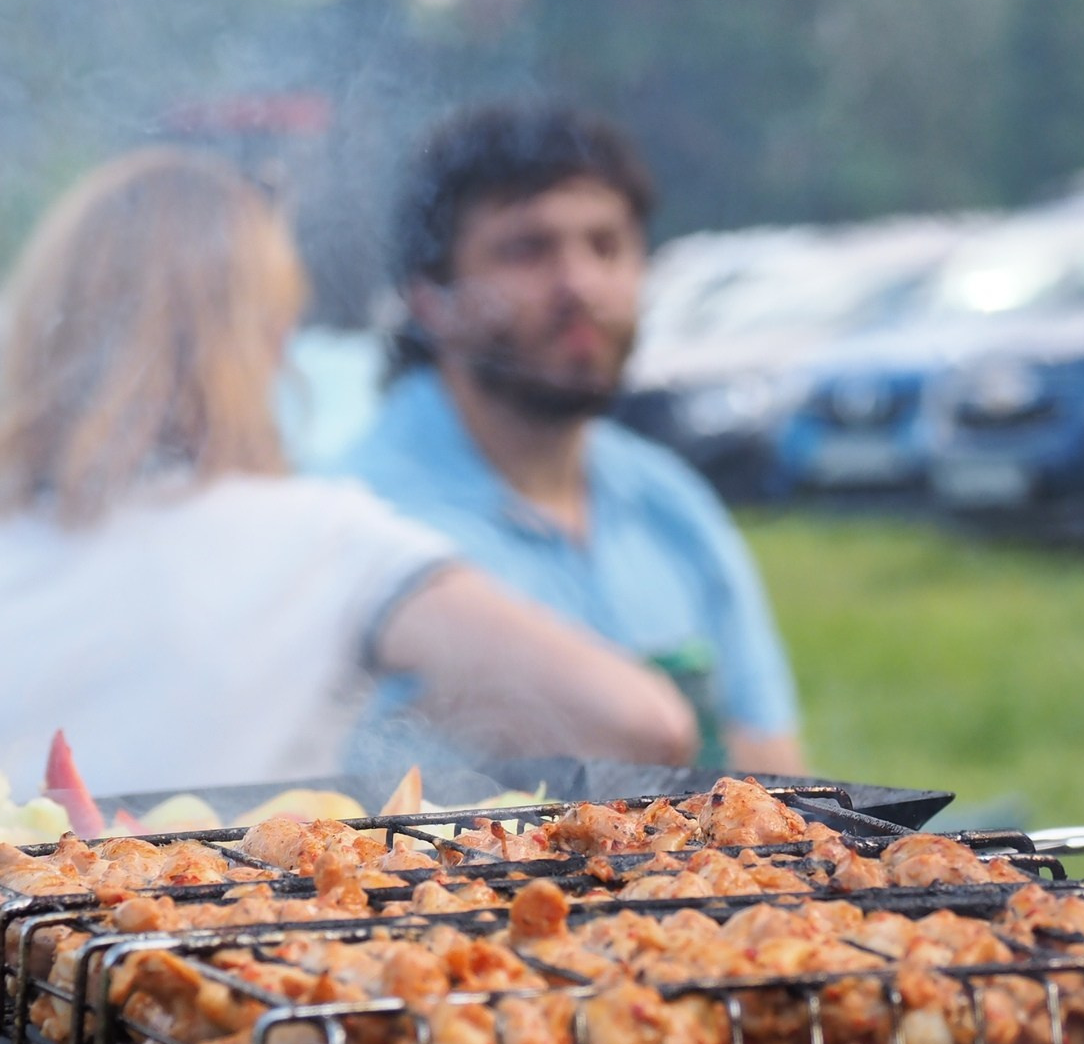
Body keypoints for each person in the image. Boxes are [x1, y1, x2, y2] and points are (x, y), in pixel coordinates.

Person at [0, 148, 692, 814]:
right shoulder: (327, 541)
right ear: (263, 341)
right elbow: (642, 724)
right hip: (214, 980)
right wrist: (426, 727)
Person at [335, 103, 804, 775]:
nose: (579, 285)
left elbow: (780, 781)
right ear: (431, 299)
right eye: (527, 249)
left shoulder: (673, 506)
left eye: (606, 246)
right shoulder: (356, 523)